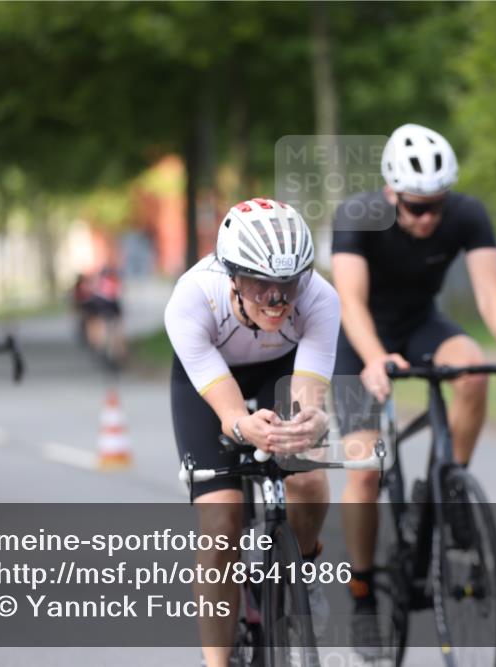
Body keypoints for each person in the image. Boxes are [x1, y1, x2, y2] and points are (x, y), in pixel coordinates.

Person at [331, 124, 496, 649]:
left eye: (435, 206)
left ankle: (452, 485)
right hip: (358, 340)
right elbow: (350, 302)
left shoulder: (467, 215)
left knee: (471, 368)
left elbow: (490, 292)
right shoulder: (359, 217)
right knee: (363, 473)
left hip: (421, 324)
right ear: (390, 193)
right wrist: (376, 358)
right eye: (414, 207)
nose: (427, 218)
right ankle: (361, 595)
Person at [165, 198, 339, 667]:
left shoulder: (320, 298)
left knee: (307, 474)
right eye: (261, 284)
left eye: (288, 283)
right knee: (222, 524)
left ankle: (300, 571)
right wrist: (243, 424)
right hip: (211, 380)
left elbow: (306, 395)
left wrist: (311, 420)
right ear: (232, 276)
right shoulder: (192, 297)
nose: (277, 299)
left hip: (278, 370)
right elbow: (229, 416)